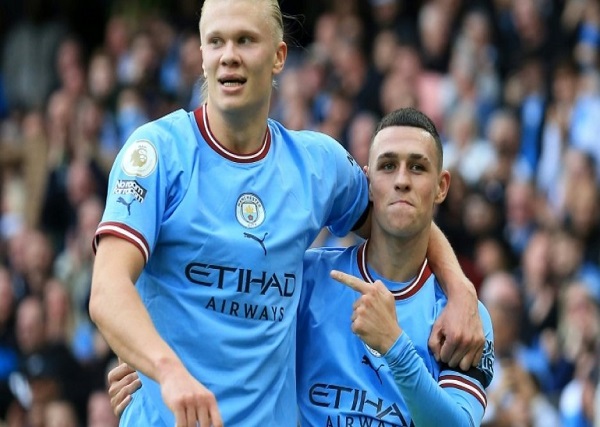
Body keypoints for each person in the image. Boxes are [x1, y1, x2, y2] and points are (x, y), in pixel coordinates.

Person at [88, 1, 483, 426]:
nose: (229, 55)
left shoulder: (316, 165)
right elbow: (107, 290)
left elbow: (401, 216)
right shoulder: (157, 152)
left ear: (279, 56)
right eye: (216, 42)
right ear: (202, 56)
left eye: (245, 40)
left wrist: (460, 289)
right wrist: (165, 370)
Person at [107, 107, 495, 425]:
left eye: (418, 168)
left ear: (442, 186)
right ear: (367, 181)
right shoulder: (307, 279)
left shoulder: (463, 318)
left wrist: (396, 347)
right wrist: (154, 372)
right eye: (388, 166)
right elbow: (223, 332)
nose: (402, 181)